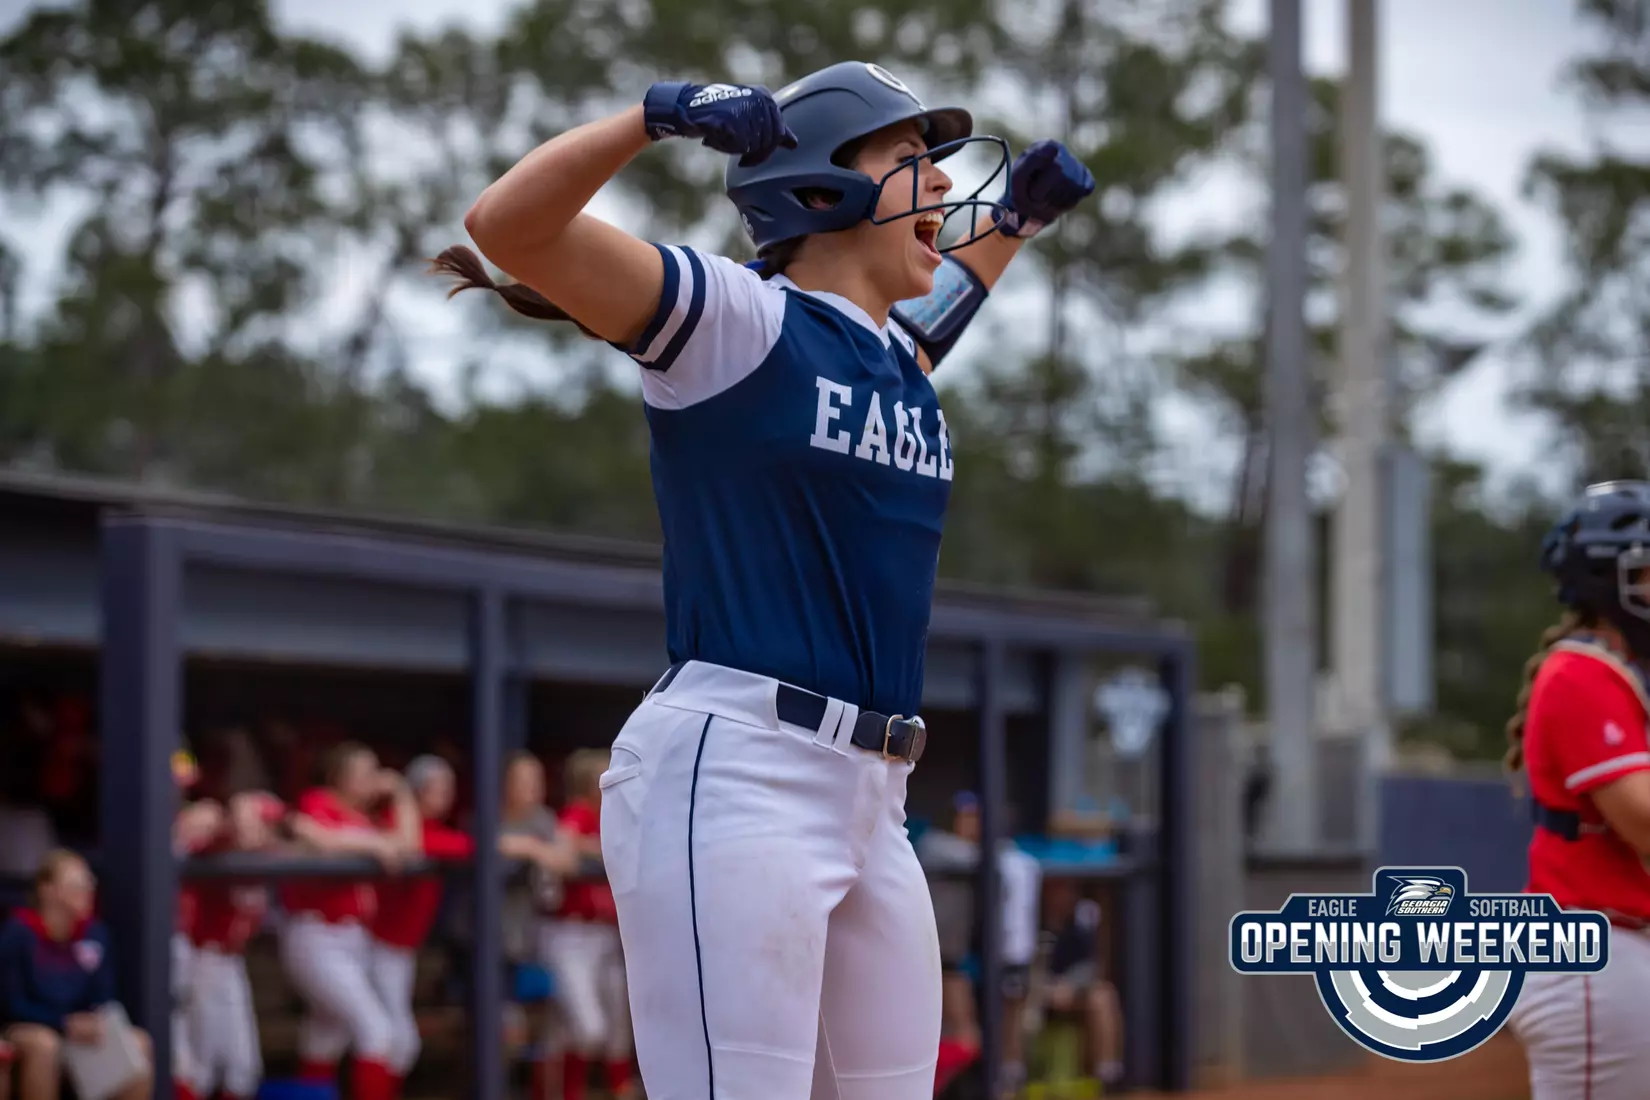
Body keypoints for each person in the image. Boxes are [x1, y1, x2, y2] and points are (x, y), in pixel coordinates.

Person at [443, 61, 1093, 1100]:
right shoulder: (738, 320)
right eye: (908, 158)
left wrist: (1015, 219)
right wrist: (653, 117)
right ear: (824, 184)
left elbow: (942, 313)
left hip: (875, 795)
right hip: (738, 768)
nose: (937, 182)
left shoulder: (893, 360)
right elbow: (507, 228)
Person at [1505, 480, 1650, 1099]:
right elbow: (1645, 821)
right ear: (1602, 580)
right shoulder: (1580, 674)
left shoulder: (1617, 675)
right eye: (1646, 570)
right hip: (1595, 956)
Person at [279, 743, 416, 1100]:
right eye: (362, 772)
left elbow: (409, 846)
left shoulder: (367, 817)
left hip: (352, 938)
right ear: (338, 776)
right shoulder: (318, 801)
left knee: (325, 1036)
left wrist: (400, 794)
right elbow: (315, 836)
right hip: (317, 934)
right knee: (378, 1032)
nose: (371, 780)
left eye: (374, 772)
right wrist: (373, 845)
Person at [0, 850, 153, 1100]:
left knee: (139, 1042)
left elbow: (104, 995)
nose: (86, 891)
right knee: (44, 1045)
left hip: (80, 1030)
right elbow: (12, 1004)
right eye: (76, 885)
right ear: (47, 890)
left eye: (89, 883)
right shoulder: (18, 934)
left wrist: (93, 1021)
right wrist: (63, 1023)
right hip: (31, 1026)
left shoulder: (95, 934)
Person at [182, 791, 286, 1100]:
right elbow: (223, 825)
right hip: (200, 958)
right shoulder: (221, 846)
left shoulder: (269, 856)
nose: (262, 832)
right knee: (200, 1065)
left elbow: (292, 837)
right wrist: (241, 814)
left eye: (267, 826)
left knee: (243, 1066)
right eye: (260, 825)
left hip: (230, 962)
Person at [546, 750, 635, 1100]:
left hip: (606, 934)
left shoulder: (615, 816)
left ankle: (615, 1089)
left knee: (615, 1026)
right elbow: (563, 849)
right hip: (572, 933)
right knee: (588, 1027)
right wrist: (600, 848)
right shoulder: (578, 812)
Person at [497, 752, 580, 1100]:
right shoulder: (489, 815)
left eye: (537, 782)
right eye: (523, 782)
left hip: (525, 941)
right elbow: (491, 844)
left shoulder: (542, 821)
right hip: (489, 943)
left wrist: (533, 848)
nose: (532, 790)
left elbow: (567, 861)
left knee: (540, 1028)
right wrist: (530, 848)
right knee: (505, 1031)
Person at [1037, 879, 1123, 1089]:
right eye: (1056, 890)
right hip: (1033, 994)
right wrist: (1045, 989)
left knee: (1103, 996)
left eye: (1068, 890)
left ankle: (1106, 1076)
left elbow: (1092, 966)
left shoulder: (1084, 922)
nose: (1063, 897)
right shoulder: (1031, 921)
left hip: (1071, 993)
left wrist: (1069, 987)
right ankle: (1012, 1075)